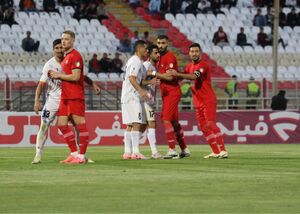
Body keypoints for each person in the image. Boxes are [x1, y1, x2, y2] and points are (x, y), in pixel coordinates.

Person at [32, 39, 100, 164]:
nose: (59, 50)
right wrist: (37, 100)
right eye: (56, 48)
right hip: (53, 100)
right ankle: (38, 155)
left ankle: (80, 155)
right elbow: (41, 84)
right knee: (44, 126)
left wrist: (93, 84)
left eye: (60, 48)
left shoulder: (69, 60)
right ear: (53, 50)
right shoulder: (49, 65)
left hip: (68, 99)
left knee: (77, 126)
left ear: (64, 49)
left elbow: (81, 76)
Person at [168, 43, 227, 159]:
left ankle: (223, 150)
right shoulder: (189, 67)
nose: (194, 53)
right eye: (192, 51)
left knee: (210, 123)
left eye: (196, 51)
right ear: (189, 53)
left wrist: (178, 74)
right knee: (204, 127)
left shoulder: (203, 65)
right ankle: (215, 151)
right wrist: (168, 75)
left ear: (200, 53)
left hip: (208, 99)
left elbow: (194, 77)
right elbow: (180, 77)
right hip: (198, 102)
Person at [48, 30, 90, 164]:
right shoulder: (66, 57)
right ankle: (73, 153)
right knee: (61, 124)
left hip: (75, 96)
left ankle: (81, 156)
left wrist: (58, 75)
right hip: (65, 97)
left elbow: (76, 76)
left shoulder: (75, 56)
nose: (63, 41)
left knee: (80, 126)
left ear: (72, 41)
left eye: (66, 39)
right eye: (62, 39)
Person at [156, 35, 190, 158]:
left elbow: (170, 77)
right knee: (174, 122)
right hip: (166, 93)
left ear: (167, 43)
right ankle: (184, 149)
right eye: (158, 43)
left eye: (163, 43)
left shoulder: (169, 57)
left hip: (172, 92)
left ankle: (172, 150)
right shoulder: (159, 58)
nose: (160, 45)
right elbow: (163, 76)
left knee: (165, 118)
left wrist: (155, 74)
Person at [121, 40, 149, 160]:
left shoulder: (133, 61)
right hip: (132, 96)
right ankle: (136, 152)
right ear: (139, 48)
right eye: (145, 49)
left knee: (130, 124)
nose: (147, 51)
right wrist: (141, 91)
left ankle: (127, 152)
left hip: (126, 96)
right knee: (137, 123)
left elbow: (137, 79)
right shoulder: (136, 61)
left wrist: (149, 81)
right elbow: (132, 79)